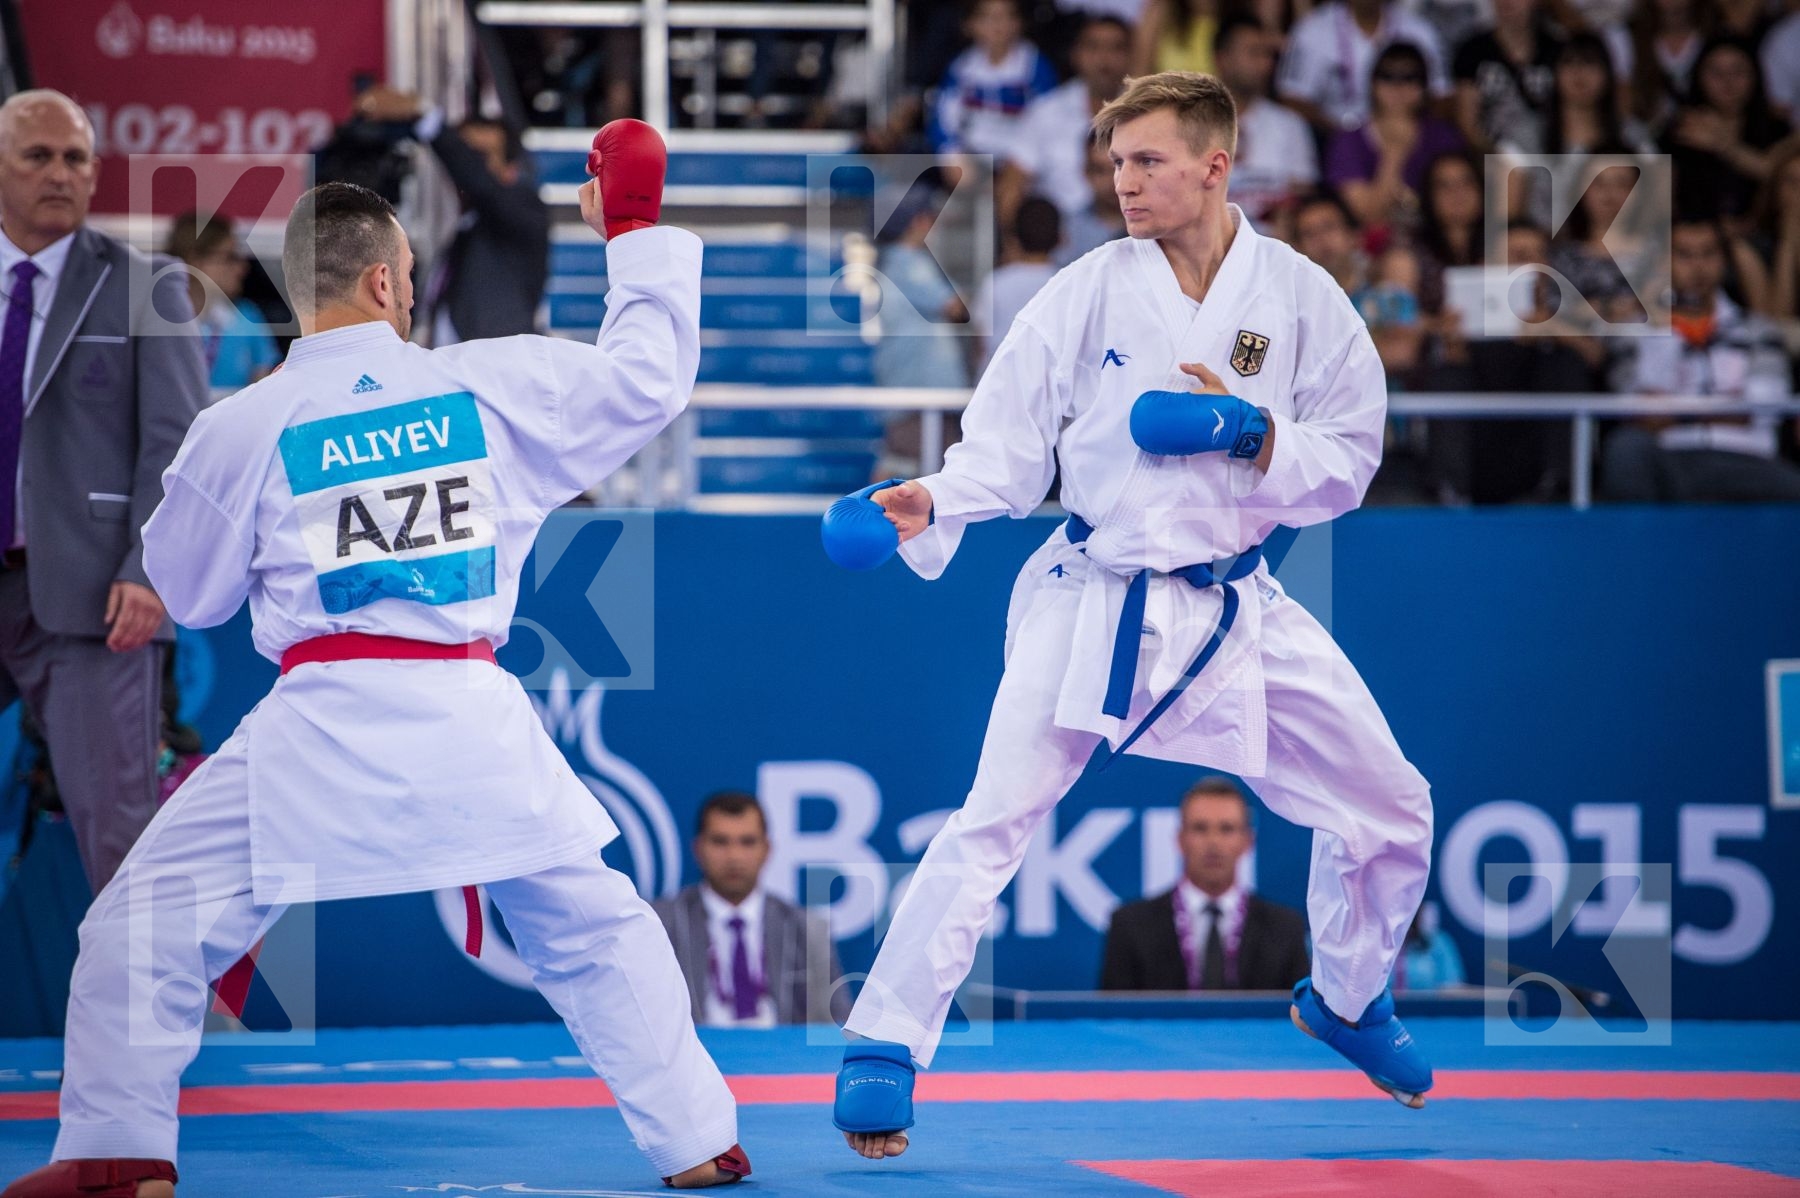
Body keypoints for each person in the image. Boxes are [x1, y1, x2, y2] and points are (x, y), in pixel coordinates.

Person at [0, 127, 753, 1197]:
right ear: (391, 280)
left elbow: (194, 593)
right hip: (470, 713)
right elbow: (648, 380)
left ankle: (119, 1151)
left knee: (141, 923)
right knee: (591, 925)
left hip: (319, 722)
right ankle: (697, 1136)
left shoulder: (240, 425)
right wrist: (628, 229)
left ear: (302, 295)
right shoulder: (495, 384)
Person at [826, 71, 1437, 1163]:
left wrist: (1253, 434)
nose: (1124, 182)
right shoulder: (1086, 291)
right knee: (991, 817)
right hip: (1096, 593)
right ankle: (884, 1044)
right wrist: (932, 498)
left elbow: (1350, 459)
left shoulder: (1300, 298)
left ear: (1215, 166)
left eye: (1148, 161)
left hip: (1236, 602)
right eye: (1114, 163)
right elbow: (1005, 447)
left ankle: (1349, 998)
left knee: (1394, 807)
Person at [0, 90, 207, 898]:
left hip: (95, 599)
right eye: (37, 156)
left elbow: (178, 446)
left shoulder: (149, 285)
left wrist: (149, 569)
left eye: (75, 158)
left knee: (120, 840)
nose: (60, 173)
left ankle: (145, 1026)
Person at [1602, 217, 1800, 502]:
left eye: (1708, 254)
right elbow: (1638, 410)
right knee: (1626, 448)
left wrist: (1674, 410)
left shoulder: (1759, 330)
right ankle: (1634, 545)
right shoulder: (1634, 332)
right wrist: (1662, 327)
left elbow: (1763, 406)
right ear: (1663, 263)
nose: (1698, 267)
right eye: (1684, 255)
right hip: (1668, 460)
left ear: (1724, 261)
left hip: (1745, 462)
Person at [356, 88, 551, 345]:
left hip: (494, 368)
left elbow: (481, 183)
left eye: (480, 158)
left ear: (511, 170)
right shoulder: (463, 228)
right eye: (466, 154)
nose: (468, 165)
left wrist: (426, 116)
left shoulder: (526, 208)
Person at [653, 791, 848, 1027]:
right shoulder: (659, 923)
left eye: (747, 842)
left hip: (785, 1061)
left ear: (766, 849)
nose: (734, 856)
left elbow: (837, 1024)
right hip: (693, 1060)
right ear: (698, 849)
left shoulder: (807, 927)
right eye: (720, 841)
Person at [1100, 776, 1311, 991]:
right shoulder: (1130, 925)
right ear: (1181, 839)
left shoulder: (1284, 928)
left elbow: (1298, 1019)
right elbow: (1113, 1019)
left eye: (1226, 829)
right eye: (1200, 828)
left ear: (1247, 841)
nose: (1214, 842)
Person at [999, 15, 1132, 228]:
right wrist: (1020, 247)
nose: (1104, 58)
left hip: (1129, 237)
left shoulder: (1147, 114)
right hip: (1057, 243)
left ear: (1131, 56)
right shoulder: (1045, 112)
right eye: (1093, 47)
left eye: (1116, 48)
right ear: (1076, 54)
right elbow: (1011, 185)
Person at [1325, 41, 1466, 236]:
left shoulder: (1443, 136)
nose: (1398, 86)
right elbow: (1368, 215)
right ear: (1373, 83)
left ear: (1424, 86)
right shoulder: (1348, 141)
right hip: (1374, 247)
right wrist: (1394, 152)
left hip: (1437, 239)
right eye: (1388, 76)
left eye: (1410, 77)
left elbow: (1460, 208)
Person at [1276, 0, 1452, 135]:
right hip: (1332, 135)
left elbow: (1442, 96)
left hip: (1407, 132)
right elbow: (1292, 99)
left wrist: (1416, 133)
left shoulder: (1420, 31)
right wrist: (1343, 136)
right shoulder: (1312, 29)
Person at [1213, 16, 1319, 226]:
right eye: (1253, 52)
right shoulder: (1193, 123)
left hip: (1274, 243)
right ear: (1222, 58)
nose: (1265, 63)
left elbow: (1304, 195)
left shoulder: (1291, 125)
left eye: (1268, 55)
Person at [929, 0, 1061, 158]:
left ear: (1019, 23)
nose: (997, 25)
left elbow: (1049, 120)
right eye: (987, 17)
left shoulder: (1034, 65)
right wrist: (951, 154)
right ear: (969, 25)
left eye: (1006, 16)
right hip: (971, 159)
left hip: (1020, 161)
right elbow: (943, 118)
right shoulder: (961, 67)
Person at [162, 213, 278, 391]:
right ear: (196, 260)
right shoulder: (158, 318)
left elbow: (265, 391)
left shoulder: (247, 317)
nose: (243, 267)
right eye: (231, 257)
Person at [976, 197, 1062, 372]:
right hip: (1048, 384)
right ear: (1061, 238)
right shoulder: (1067, 283)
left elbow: (980, 345)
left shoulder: (996, 282)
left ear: (1013, 238)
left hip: (999, 381)